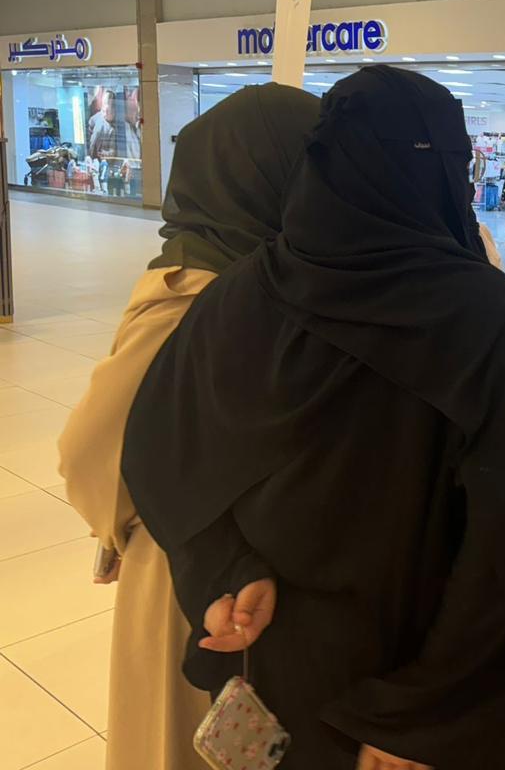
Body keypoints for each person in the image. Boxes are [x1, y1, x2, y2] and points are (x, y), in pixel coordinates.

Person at [121, 66, 505, 770]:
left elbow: (161, 454)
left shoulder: (243, 294)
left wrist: (227, 574)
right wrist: (418, 716)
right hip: (420, 692)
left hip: (283, 675)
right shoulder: (481, 318)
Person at [58, 84, 320, 770]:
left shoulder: (258, 282)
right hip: (197, 581)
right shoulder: (201, 296)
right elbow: (94, 451)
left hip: (232, 586)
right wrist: (120, 524)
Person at [87, 88, 118, 160]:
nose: (106, 108)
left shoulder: (112, 129)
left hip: (103, 160)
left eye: (110, 106)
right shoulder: (94, 119)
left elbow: (113, 151)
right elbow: (89, 139)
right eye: (104, 104)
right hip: (92, 159)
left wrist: (105, 153)